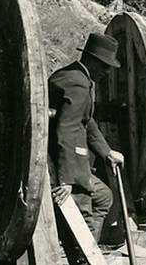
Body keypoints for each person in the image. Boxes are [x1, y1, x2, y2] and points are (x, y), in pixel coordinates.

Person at [47, 32, 125, 241]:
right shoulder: (78, 84)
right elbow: (68, 128)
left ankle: (91, 253)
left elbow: (86, 121)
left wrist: (107, 153)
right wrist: (66, 180)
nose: (107, 72)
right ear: (91, 60)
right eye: (104, 65)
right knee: (83, 221)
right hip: (63, 165)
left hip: (69, 162)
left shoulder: (75, 76)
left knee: (104, 197)